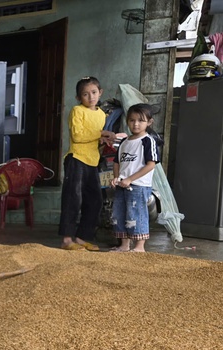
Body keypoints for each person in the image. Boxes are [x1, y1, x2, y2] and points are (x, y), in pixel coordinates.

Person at [59, 76, 117, 251]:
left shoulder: (101, 114)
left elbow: (93, 137)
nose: (90, 97)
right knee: (73, 199)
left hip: (92, 161)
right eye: (85, 94)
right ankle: (67, 239)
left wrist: (104, 140)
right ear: (78, 98)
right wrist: (101, 133)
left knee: (95, 201)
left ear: (100, 93)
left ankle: (82, 238)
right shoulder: (77, 111)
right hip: (76, 159)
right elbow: (78, 136)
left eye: (93, 92)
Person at [109, 103, 160, 252]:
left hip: (139, 186)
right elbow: (117, 162)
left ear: (149, 122)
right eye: (132, 120)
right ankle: (124, 245)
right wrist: (116, 177)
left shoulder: (148, 141)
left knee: (136, 214)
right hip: (121, 185)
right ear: (127, 121)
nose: (136, 124)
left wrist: (130, 179)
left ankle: (139, 246)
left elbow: (151, 165)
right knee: (119, 214)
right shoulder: (124, 142)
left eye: (140, 120)